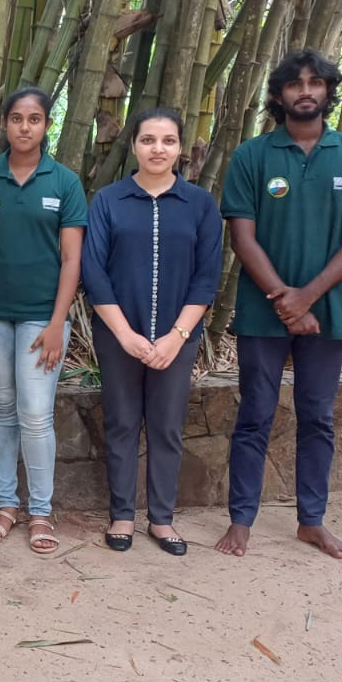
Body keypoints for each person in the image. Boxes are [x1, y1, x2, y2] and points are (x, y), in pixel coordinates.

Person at [216, 49, 342, 559]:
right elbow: (242, 236)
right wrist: (284, 300)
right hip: (261, 311)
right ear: (279, 94)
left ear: (328, 90)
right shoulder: (252, 155)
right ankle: (241, 519)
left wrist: (306, 297)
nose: (305, 91)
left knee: (318, 417)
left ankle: (311, 521)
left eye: (315, 82)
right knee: (254, 415)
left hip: (327, 312)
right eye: (294, 83)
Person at [82, 108, 222, 556]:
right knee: (122, 423)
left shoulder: (199, 204)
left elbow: (207, 277)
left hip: (178, 338)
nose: (157, 149)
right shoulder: (109, 200)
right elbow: (94, 272)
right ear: (133, 145)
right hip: (118, 334)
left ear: (180, 147)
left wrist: (177, 336)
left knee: (167, 426)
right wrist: (125, 334)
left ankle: (162, 518)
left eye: (167, 141)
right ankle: (122, 514)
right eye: (147, 140)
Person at [0, 86, 84, 554]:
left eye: (34, 119)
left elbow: (71, 259)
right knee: (0, 405)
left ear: (47, 125)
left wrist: (57, 322)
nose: (25, 127)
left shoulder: (64, 182)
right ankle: (6, 504)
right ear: (4, 124)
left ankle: (40, 511)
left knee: (34, 412)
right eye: (16, 118)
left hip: (42, 317)